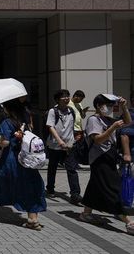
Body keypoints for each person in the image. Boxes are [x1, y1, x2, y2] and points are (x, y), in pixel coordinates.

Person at [0, 98, 47, 230]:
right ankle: (32, 219)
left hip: (10, 160)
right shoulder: (25, 121)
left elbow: (5, 143)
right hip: (26, 159)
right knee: (30, 186)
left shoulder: (6, 122)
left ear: (8, 109)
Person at [78, 94, 134, 234]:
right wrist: (113, 128)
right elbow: (97, 140)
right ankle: (128, 222)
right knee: (112, 188)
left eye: (111, 105)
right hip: (99, 158)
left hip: (110, 157)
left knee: (96, 185)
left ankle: (86, 213)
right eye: (107, 105)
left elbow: (128, 122)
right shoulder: (93, 120)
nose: (110, 108)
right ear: (98, 106)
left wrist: (124, 107)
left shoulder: (108, 119)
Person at [44, 89, 82, 204]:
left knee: (72, 169)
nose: (66, 98)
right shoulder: (53, 111)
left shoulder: (71, 110)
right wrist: (60, 141)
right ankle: (50, 188)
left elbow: (72, 126)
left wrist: (74, 138)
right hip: (55, 145)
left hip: (69, 145)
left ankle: (75, 194)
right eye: (63, 97)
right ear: (57, 99)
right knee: (53, 167)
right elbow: (50, 127)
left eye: (67, 96)